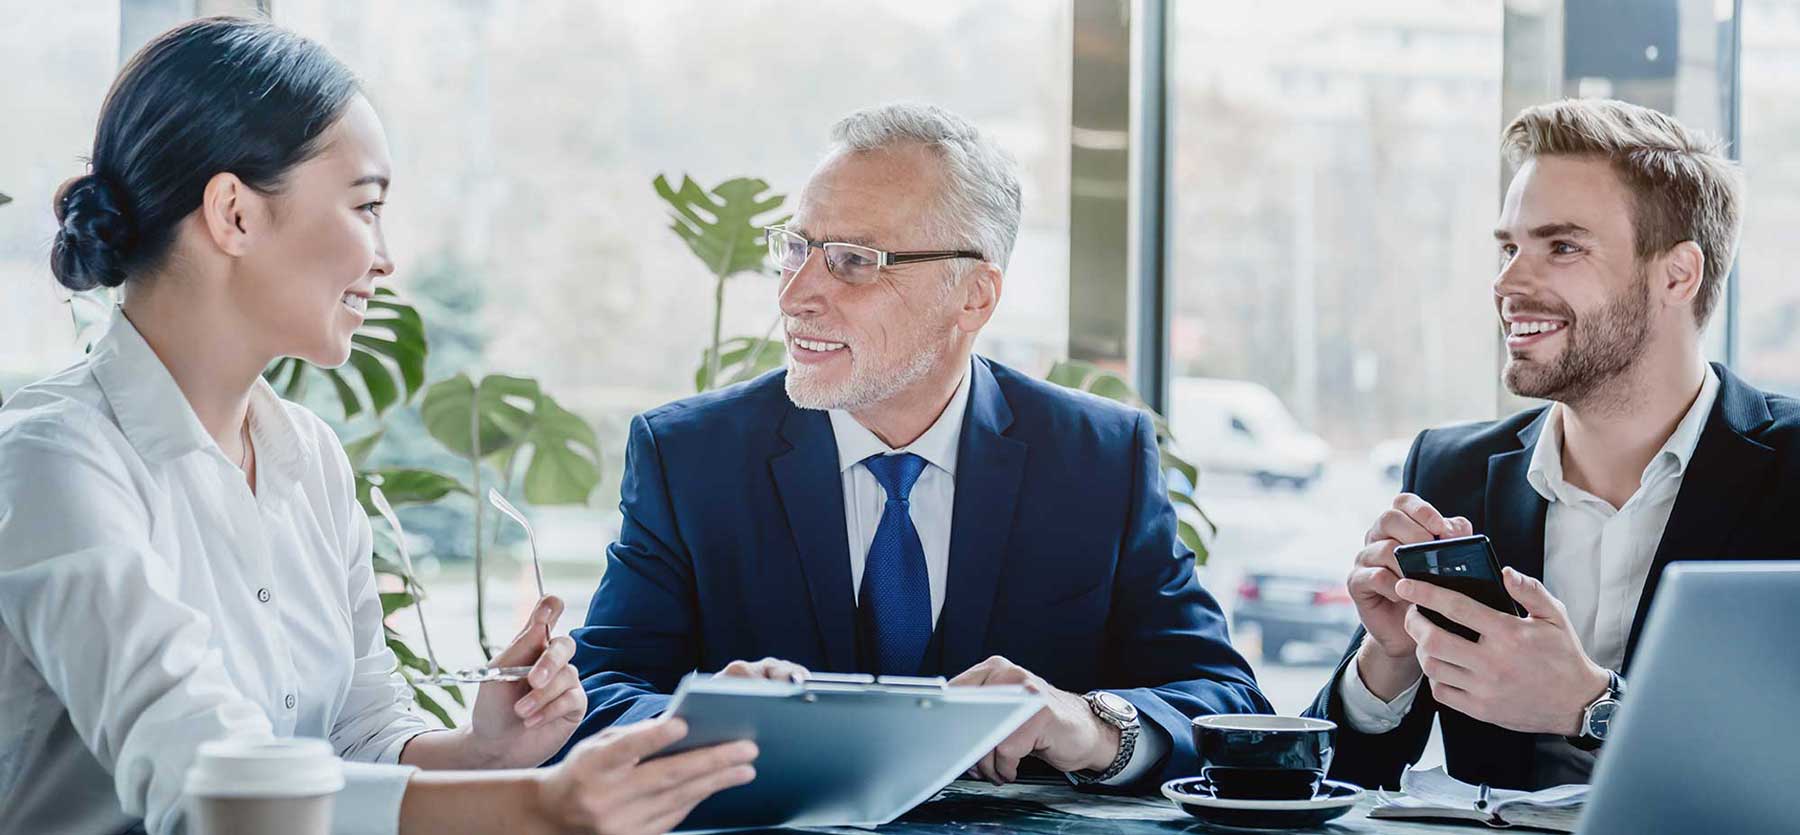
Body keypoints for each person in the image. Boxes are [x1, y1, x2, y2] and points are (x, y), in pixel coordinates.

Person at [0, 17, 753, 835]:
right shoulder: (56, 460)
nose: (386, 258)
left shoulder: (308, 459)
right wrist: (541, 804)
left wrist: (486, 749)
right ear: (234, 214)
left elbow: (356, 736)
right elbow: (213, 788)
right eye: (367, 207)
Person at [560, 102, 1269, 792]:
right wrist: (706, 725)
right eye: (798, 248)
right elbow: (593, 694)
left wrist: (1090, 724)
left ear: (974, 297)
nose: (797, 294)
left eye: (854, 262)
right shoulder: (688, 457)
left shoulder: (1099, 459)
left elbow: (1227, 701)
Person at [1306, 98, 1800, 791]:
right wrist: (1385, 663)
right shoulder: (1451, 473)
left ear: (1677, 275)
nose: (1507, 282)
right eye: (1510, 247)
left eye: (1561, 246)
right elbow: (1333, 784)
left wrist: (1592, 707)